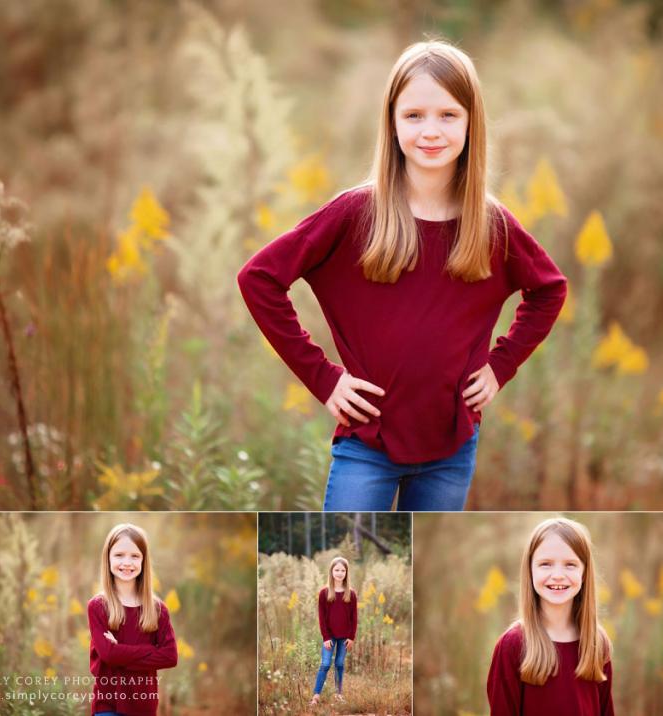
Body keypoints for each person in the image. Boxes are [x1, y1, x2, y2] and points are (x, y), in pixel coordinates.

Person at [238, 39, 567, 511]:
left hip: (452, 448)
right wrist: (324, 379)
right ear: (391, 124)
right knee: (346, 550)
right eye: (413, 115)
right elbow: (259, 278)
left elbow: (549, 289)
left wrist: (501, 366)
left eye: (448, 115)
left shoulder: (490, 224)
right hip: (366, 445)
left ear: (472, 123)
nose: (430, 131)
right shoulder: (355, 213)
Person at [487, 517, 615, 715]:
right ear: (530, 570)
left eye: (570, 564)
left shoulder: (597, 643)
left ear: (584, 572)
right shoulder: (512, 645)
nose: (557, 574)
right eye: (545, 564)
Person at [87, 523, 178, 715]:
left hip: (143, 705)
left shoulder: (157, 609)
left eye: (135, 556)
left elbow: (170, 656)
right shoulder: (98, 606)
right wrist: (150, 651)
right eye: (119, 555)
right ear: (108, 558)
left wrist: (120, 651)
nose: (127, 563)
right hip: (108, 704)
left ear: (144, 561)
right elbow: (108, 655)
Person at [310, 557, 358, 707]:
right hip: (329, 637)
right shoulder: (324, 593)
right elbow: (322, 618)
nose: (339, 573)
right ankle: (316, 695)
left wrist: (351, 637)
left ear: (346, 573)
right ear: (331, 571)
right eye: (336, 570)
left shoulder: (351, 594)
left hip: (345, 637)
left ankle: (338, 694)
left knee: (339, 664)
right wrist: (325, 637)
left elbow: (354, 617)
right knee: (325, 664)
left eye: (343, 570)